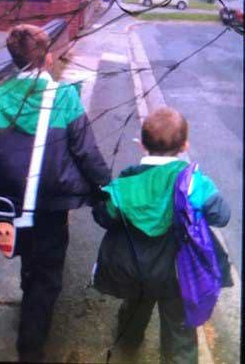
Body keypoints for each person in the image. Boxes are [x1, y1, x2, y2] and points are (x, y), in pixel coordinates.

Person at [0, 24, 111, 361]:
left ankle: (28, 289)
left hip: (14, 197)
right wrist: (106, 187)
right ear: (48, 57)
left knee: (28, 253)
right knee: (48, 273)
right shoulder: (65, 96)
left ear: (13, 60)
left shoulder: (4, 93)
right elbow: (85, 151)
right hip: (52, 201)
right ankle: (32, 344)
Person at [92, 107, 232, 364]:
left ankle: (128, 344)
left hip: (135, 270)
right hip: (180, 274)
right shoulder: (193, 182)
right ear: (185, 145)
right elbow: (222, 215)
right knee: (180, 329)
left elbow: (103, 216)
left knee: (134, 310)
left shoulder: (125, 183)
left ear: (142, 145)